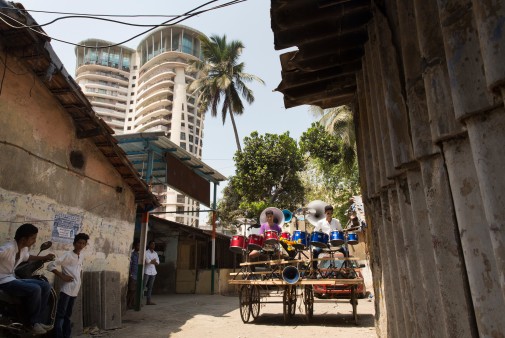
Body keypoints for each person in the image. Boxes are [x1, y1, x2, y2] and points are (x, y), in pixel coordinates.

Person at [0, 223, 55, 335]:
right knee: (35, 289)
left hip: (11, 278)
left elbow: (28, 257)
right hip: (2, 281)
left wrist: (44, 257)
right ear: (24, 239)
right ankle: (31, 324)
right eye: (33, 238)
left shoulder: (23, 249)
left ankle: (38, 321)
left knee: (45, 286)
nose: (34, 241)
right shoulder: (8, 248)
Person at [48, 232, 89, 338]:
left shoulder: (82, 256)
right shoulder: (68, 255)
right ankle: (58, 335)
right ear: (74, 243)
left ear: (85, 245)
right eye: (79, 243)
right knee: (61, 314)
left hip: (75, 290)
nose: (81, 245)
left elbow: (78, 270)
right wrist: (62, 276)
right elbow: (51, 265)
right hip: (66, 290)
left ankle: (67, 335)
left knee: (68, 315)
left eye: (83, 243)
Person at [312, 205, 345, 271]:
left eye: (331, 213)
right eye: (328, 213)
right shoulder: (320, 222)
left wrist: (340, 232)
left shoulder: (336, 221)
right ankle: (314, 271)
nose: (329, 215)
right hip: (324, 244)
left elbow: (341, 230)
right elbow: (315, 232)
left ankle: (347, 269)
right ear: (325, 213)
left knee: (345, 251)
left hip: (335, 243)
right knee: (315, 251)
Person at [144, 240, 159, 305]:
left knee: (150, 287)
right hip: (146, 272)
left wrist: (152, 261)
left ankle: (148, 301)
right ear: (149, 245)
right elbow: (147, 261)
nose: (153, 245)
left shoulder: (155, 253)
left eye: (154, 244)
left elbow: (158, 262)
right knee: (143, 286)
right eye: (152, 244)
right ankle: (139, 301)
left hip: (153, 272)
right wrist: (153, 261)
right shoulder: (146, 252)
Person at [126, 239, 140, 309]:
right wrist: (130, 274)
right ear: (134, 246)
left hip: (137, 274)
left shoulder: (139, 254)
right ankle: (127, 304)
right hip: (133, 274)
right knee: (131, 290)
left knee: (134, 291)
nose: (139, 247)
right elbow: (129, 264)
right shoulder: (132, 254)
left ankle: (131, 303)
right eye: (138, 246)